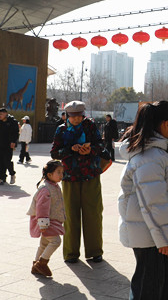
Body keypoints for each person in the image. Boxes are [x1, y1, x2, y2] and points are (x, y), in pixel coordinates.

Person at [118, 101, 168, 300]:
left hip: (153, 233)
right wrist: (163, 239)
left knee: (160, 281)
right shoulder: (151, 156)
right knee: (149, 287)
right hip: (151, 237)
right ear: (165, 124)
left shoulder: (156, 152)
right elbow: (153, 203)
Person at [51, 100, 110, 264]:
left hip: (91, 175)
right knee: (70, 215)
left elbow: (101, 145)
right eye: (73, 116)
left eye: (79, 116)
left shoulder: (90, 126)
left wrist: (90, 149)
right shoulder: (61, 130)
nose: (76, 119)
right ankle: (71, 253)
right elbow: (54, 153)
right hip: (70, 177)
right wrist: (71, 149)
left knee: (93, 214)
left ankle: (95, 252)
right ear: (67, 116)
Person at [28, 159, 66, 278]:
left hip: (51, 220)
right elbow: (42, 208)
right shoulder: (45, 189)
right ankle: (42, 263)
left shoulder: (53, 185)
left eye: (62, 172)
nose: (61, 175)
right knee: (55, 241)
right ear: (49, 175)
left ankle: (36, 265)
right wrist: (43, 224)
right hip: (46, 221)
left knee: (44, 243)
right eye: (58, 172)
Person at [0, 108, 20, 185]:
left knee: (7, 161)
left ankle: (12, 174)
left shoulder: (12, 122)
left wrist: (13, 141)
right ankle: (0, 178)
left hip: (8, 145)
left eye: (1, 114)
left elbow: (15, 133)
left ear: (6, 114)